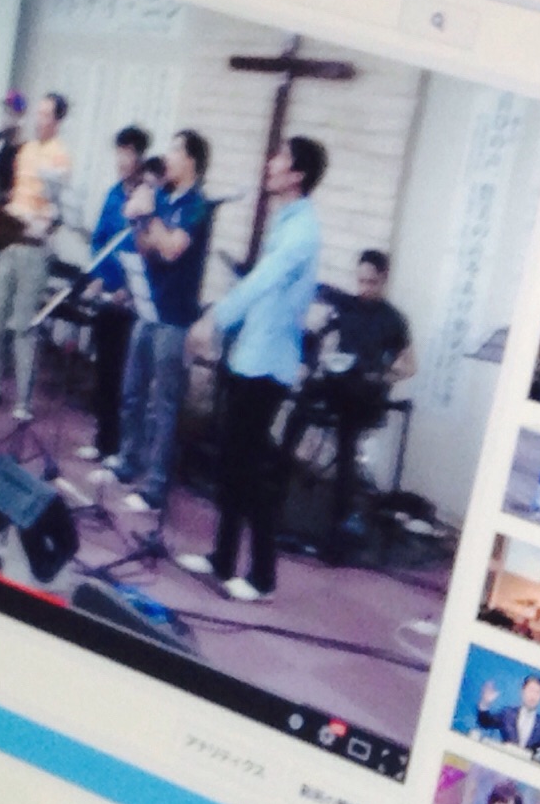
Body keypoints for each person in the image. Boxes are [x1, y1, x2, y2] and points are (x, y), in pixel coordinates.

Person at [179, 136, 327, 601]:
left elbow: (264, 281)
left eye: (280, 158)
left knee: (251, 470)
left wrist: (215, 317)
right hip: (250, 356)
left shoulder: (303, 232)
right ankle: (223, 558)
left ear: (297, 174)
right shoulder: (286, 221)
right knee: (231, 462)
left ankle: (263, 577)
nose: (271, 163)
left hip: (269, 365)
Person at [107, 130, 213, 512]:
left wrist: (150, 216)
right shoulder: (164, 199)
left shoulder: (198, 206)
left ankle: (155, 486)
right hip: (148, 306)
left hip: (175, 317)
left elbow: (170, 249)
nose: (167, 156)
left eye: (175, 149)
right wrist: (140, 219)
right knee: (132, 390)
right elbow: (146, 248)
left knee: (163, 404)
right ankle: (127, 461)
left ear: (191, 161)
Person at [298, 249, 416, 552]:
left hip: (364, 392)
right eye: (360, 281)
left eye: (371, 283)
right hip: (338, 380)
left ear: (384, 279)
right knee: (301, 400)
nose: (364, 288)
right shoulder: (345, 306)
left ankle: (339, 523)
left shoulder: (394, 320)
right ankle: (280, 475)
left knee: (347, 440)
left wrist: (383, 377)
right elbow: (319, 332)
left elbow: (410, 366)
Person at [0, 94, 73, 419]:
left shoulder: (60, 155)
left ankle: (23, 400)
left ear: (57, 120)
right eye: (38, 113)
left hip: (34, 245)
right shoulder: (26, 150)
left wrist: (42, 223)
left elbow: (55, 207)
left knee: (23, 324)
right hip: (10, 238)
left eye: (45, 114)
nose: (38, 119)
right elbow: (16, 194)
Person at [75, 126, 151, 462]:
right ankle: (102, 440)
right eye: (119, 152)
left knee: (125, 376)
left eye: (129, 153)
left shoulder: (148, 199)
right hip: (107, 295)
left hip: (133, 301)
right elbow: (100, 241)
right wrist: (98, 278)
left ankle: (121, 447)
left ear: (140, 157)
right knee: (104, 370)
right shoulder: (113, 195)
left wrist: (127, 288)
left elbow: (145, 251)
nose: (122, 160)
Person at [475, 674, 540, 754]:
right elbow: (485, 723)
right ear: (523, 691)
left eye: (537, 692)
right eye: (531, 690)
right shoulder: (507, 714)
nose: (533, 696)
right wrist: (485, 703)